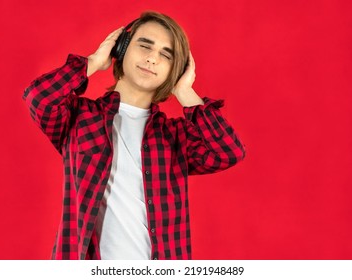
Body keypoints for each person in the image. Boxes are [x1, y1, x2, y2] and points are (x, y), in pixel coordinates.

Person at [23, 11, 246, 260]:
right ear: (122, 49)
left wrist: (185, 91)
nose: (152, 59)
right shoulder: (80, 118)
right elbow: (39, 97)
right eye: (144, 46)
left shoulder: (175, 137)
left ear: (175, 70)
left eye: (166, 55)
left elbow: (229, 152)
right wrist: (94, 62)